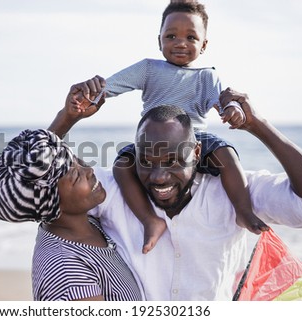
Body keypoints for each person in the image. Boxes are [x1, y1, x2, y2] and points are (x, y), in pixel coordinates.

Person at [53, 75, 302, 300]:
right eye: (147, 162)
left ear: (196, 152)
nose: (159, 177)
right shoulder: (112, 190)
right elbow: (37, 184)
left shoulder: (235, 189)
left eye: (173, 161)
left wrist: (258, 126)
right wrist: (68, 118)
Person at [106, 0, 270, 253]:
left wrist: (233, 111)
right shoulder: (148, 68)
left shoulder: (207, 75)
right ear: (159, 40)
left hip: (193, 139)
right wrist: (91, 92)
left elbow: (222, 102)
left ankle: (243, 211)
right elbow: (110, 86)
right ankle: (150, 220)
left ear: (203, 45)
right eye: (171, 36)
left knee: (226, 153)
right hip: (153, 143)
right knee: (122, 164)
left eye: (191, 37)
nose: (180, 43)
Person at [0, 85, 143, 301]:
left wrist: (68, 117)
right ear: (51, 203)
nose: (89, 170)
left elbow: (40, 171)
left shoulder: (84, 224)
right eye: (77, 176)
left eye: (79, 162)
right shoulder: (67, 272)